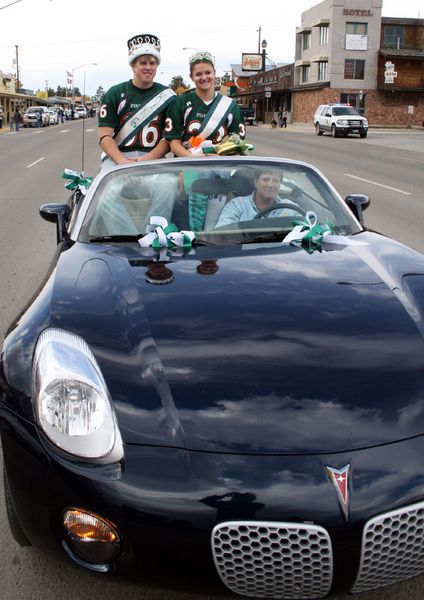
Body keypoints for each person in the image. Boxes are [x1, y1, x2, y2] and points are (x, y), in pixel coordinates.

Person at [97, 33, 177, 227]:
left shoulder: (168, 96)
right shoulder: (115, 93)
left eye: (152, 62)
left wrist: (143, 162)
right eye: (142, 62)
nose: (148, 67)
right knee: (104, 192)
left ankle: (152, 234)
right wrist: (124, 164)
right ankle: (131, 236)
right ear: (133, 65)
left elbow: (168, 139)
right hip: (119, 157)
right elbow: (105, 137)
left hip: (153, 158)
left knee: (169, 186)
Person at [165, 50, 245, 156]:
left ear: (214, 73)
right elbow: (174, 144)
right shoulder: (179, 103)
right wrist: (192, 158)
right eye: (198, 74)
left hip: (220, 168)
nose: (203, 78)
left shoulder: (231, 106)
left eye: (208, 73)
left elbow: (237, 144)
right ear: (191, 77)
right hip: (187, 168)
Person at [215, 169, 299, 228]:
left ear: (280, 184)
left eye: (275, 181)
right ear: (256, 182)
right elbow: (221, 235)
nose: (270, 185)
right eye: (265, 179)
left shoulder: (291, 209)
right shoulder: (237, 205)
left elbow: (307, 232)